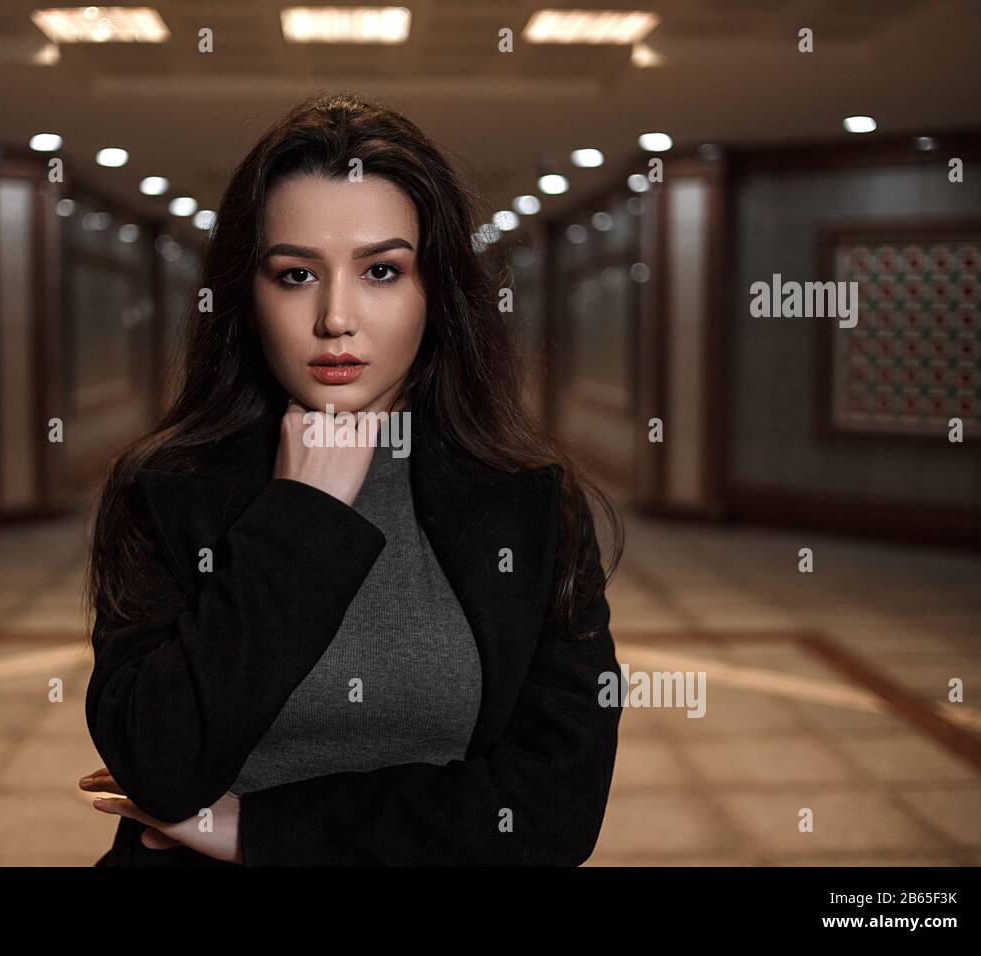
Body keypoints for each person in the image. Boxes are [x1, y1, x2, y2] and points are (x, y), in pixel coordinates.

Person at [79, 91, 624, 866]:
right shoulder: (166, 488)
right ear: (247, 293)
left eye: (380, 270)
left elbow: (550, 812)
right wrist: (302, 515)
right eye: (296, 274)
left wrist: (263, 832)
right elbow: (162, 764)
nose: (337, 316)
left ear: (435, 294)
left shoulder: (528, 501)